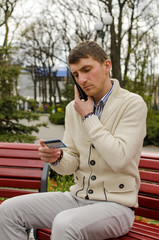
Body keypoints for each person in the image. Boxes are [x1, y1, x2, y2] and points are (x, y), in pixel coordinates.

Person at [0, 41, 147, 240]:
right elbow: (72, 162)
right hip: (76, 198)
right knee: (8, 211)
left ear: (106, 66)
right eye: (76, 74)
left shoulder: (132, 104)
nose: (82, 79)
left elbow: (120, 159)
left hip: (117, 206)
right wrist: (57, 158)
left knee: (65, 224)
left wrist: (89, 117)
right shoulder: (73, 108)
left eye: (87, 70)